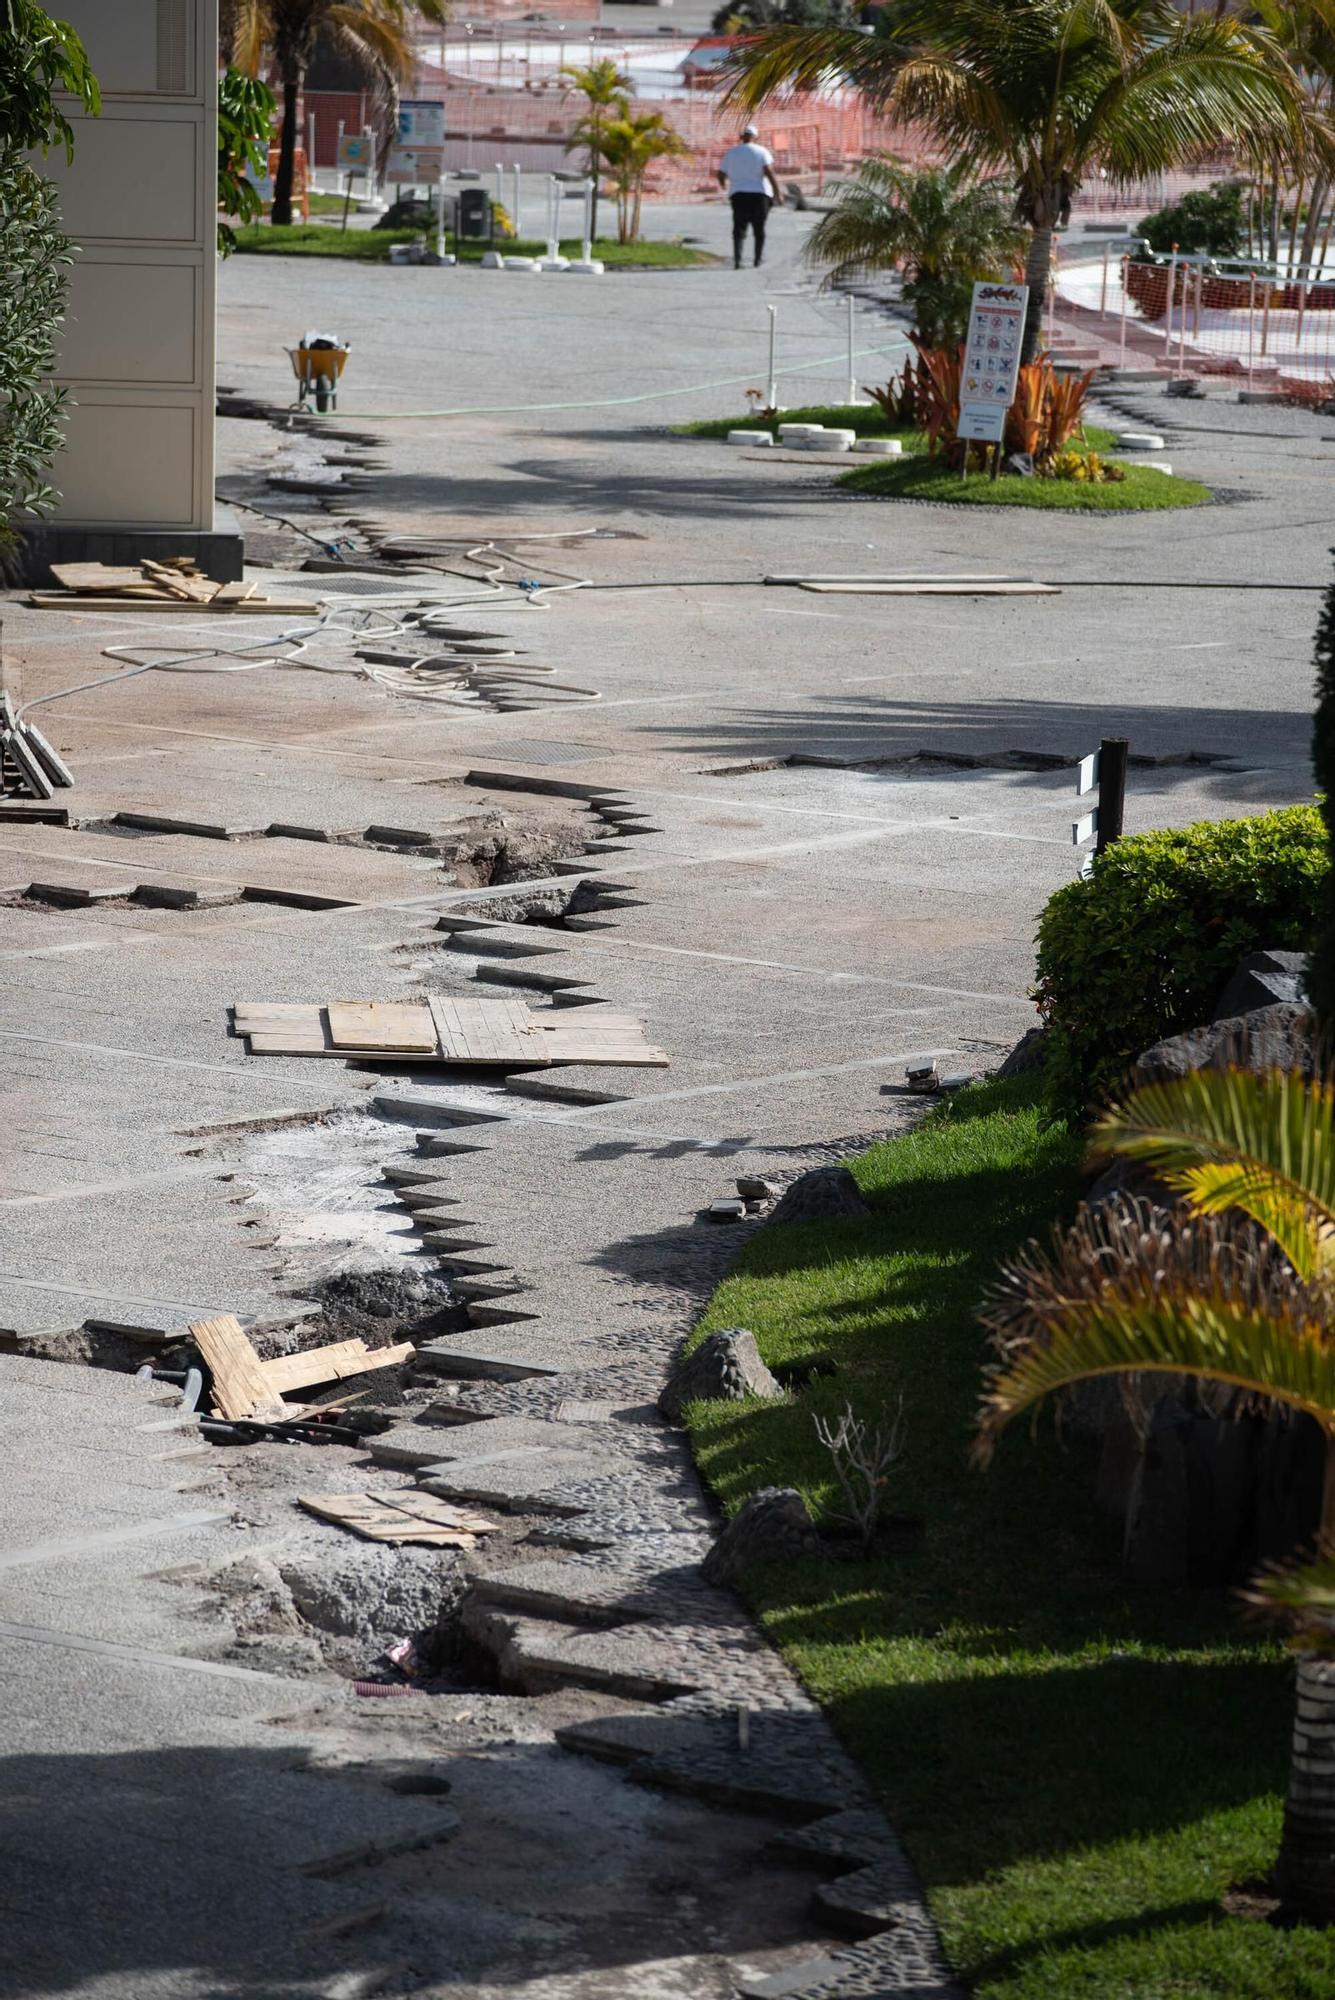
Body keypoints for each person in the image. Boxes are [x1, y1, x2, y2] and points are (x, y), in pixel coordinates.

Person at [717, 125, 779, 270]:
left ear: (741, 136)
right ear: (755, 137)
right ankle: (757, 259)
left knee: (739, 228)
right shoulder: (762, 151)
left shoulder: (731, 153)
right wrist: (778, 192)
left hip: (738, 194)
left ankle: (738, 260)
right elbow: (769, 172)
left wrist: (724, 185)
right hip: (760, 194)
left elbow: (720, 174)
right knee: (759, 228)